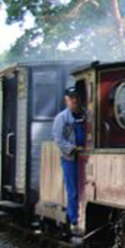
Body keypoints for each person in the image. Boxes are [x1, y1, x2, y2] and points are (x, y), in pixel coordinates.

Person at [52, 87, 86, 228]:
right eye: (71, 98)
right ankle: (74, 220)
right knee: (73, 191)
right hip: (70, 158)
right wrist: (73, 148)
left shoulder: (87, 115)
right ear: (66, 100)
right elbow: (58, 139)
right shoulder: (61, 118)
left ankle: (84, 217)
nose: (75, 100)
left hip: (87, 158)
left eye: (76, 97)